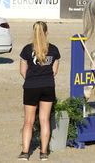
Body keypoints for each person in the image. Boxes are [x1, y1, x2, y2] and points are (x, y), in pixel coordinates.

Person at [18, 21, 60, 161]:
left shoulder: (26, 50)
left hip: (31, 86)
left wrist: (33, 79)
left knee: (28, 122)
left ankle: (25, 153)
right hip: (48, 86)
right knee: (44, 120)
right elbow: (54, 72)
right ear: (46, 32)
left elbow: (22, 72)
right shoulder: (54, 49)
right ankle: (43, 153)